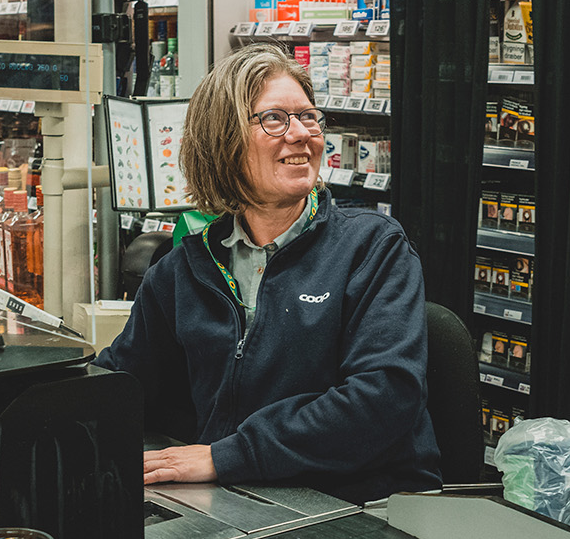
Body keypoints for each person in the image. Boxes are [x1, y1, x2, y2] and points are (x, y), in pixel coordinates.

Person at [97, 45, 440, 503]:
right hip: (238, 500)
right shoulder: (183, 271)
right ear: (223, 141)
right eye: (274, 119)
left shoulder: (373, 248)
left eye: (308, 117)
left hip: (361, 505)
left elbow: (382, 397)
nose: (301, 134)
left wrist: (227, 455)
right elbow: (120, 385)